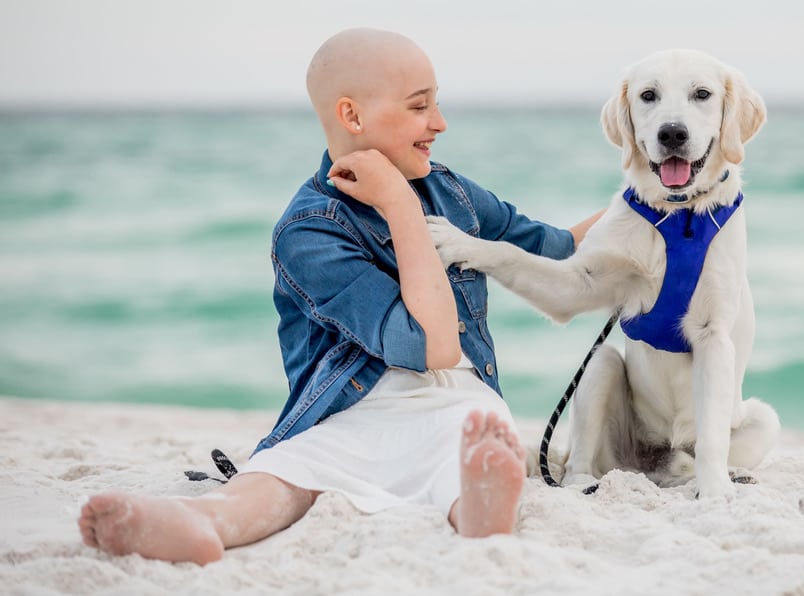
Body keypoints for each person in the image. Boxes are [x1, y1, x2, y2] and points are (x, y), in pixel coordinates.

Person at [77, 28, 602, 565]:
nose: (440, 123)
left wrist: (653, 204)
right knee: (285, 470)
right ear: (352, 117)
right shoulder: (309, 231)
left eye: (436, 104)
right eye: (420, 107)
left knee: (466, 448)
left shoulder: (455, 194)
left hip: (456, 406)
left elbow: (558, 249)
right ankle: (202, 521)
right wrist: (400, 205)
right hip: (349, 412)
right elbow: (433, 343)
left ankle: (478, 509)